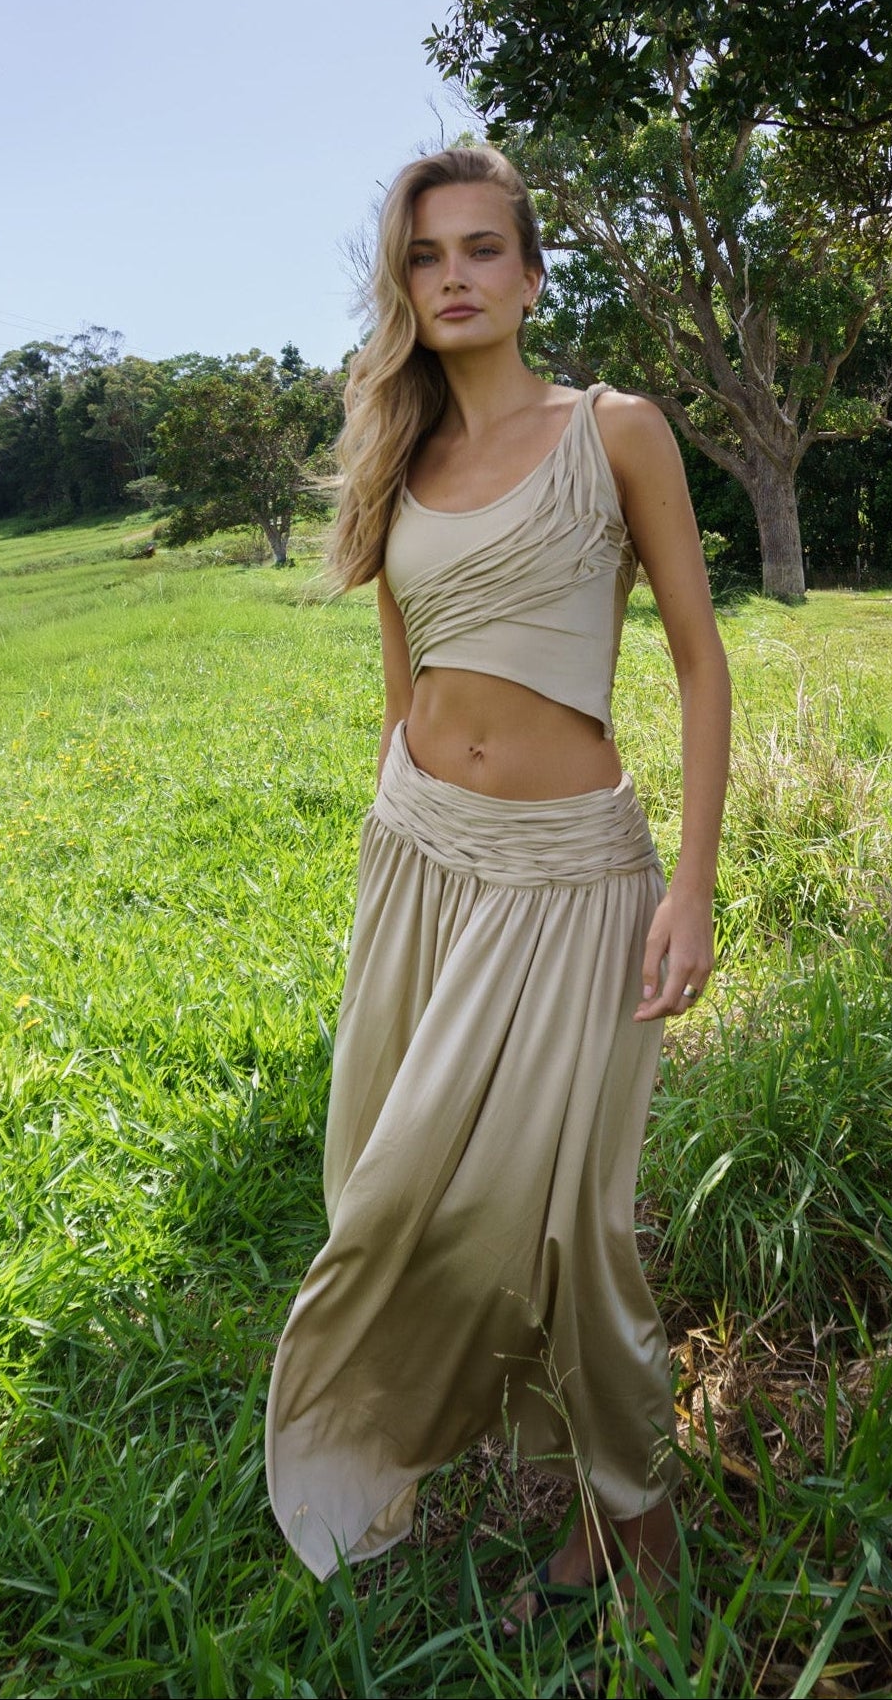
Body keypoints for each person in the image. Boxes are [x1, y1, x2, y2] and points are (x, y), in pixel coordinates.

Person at [264, 145, 731, 1627]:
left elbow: (699, 661)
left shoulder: (615, 430)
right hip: (419, 855)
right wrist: (387, 840)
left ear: (532, 276)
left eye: (480, 248)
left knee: (567, 1222)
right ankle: (404, 1454)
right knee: (379, 1183)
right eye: (423, 256)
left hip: (570, 873)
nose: (453, 274)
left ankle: (634, 1521)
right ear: (401, 287)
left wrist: (694, 885)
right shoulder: (401, 466)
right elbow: (400, 680)